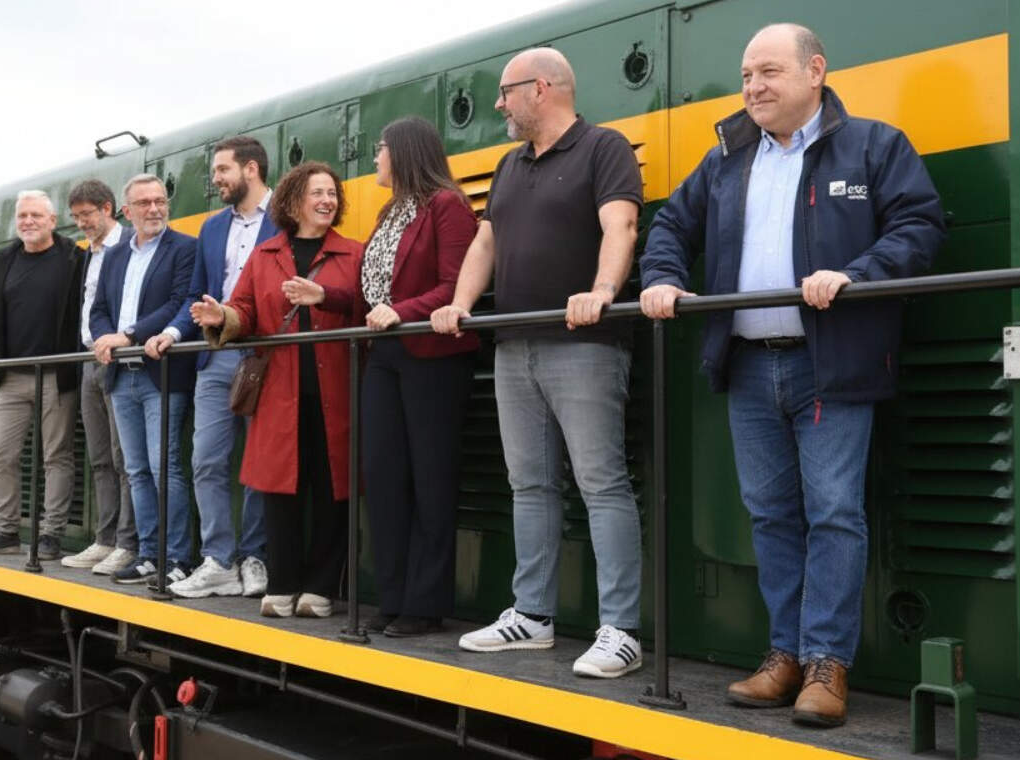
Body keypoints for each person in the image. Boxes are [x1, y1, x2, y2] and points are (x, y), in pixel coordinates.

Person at [639, 24, 945, 726]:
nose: (752, 87)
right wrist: (660, 279)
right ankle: (782, 655)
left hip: (830, 364)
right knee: (772, 517)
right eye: (746, 74)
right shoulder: (724, 158)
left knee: (834, 515)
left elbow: (919, 225)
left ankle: (824, 666)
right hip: (748, 366)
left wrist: (857, 274)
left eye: (768, 71)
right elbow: (667, 230)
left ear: (815, 71)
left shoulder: (873, 145)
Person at [431, 48, 645, 678]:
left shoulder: (604, 148)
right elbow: (486, 240)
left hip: (584, 347)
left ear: (541, 88)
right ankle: (533, 615)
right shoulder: (508, 164)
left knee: (601, 484)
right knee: (530, 485)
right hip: (513, 346)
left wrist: (603, 292)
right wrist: (460, 304)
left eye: (505, 92)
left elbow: (622, 227)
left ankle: (622, 630)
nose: (497, 104)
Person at [196, 161, 360, 619]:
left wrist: (325, 297)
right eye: (317, 193)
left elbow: (367, 308)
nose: (327, 200)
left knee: (332, 489)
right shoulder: (265, 254)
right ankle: (283, 582)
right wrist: (222, 317)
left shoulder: (353, 253)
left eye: (332, 193)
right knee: (279, 490)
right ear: (293, 202)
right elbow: (245, 308)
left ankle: (322, 587)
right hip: (280, 392)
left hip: (336, 391)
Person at [358, 117, 478, 637]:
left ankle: (424, 603)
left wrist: (401, 311)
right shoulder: (390, 211)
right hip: (384, 355)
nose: (375, 159)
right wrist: (329, 296)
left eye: (380, 149)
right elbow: (374, 291)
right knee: (383, 476)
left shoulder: (447, 207)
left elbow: (457, 286)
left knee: (431, 479)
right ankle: (393, 594)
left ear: (403, 152)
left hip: (433, 355)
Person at [146, 136, 278, 599]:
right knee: (206, 460)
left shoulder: (286, 217)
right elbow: (195, 297)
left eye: (222, 170)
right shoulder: (212, 227)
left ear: (251, 169)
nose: (215, 179)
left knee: (260, 463)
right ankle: (219, 559)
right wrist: (174, 333)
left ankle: (255, 555)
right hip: (216, 355)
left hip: (266, 355)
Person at [0, 190, 82, 560]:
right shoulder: (5, 258)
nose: (28, 222)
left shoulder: (74, 256)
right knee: (0, 450)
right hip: (11, 375)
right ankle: (6, 531)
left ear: (52, 219)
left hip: (55, 374)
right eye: (22, 216)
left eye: (35, 215)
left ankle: (50, 536)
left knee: (56, 455)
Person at [89, 174, 198, 586]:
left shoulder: (184, 248)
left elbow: (178, 301)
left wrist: (129, 335)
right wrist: (103, 337)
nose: (154, 209)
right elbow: (99, 308)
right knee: (135, 469)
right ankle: (149, 553)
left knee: (163, 465)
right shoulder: (115, 255)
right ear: (127, 210)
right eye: (145, 203)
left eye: (159, 201)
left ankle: (177, 558)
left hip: (161, 374)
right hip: (122, 376)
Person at [61, 179, 137, 576]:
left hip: (119, 359)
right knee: (100, 458)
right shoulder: (85, 255)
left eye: (87, 215)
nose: (82, 224)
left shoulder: (129, 247)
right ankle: (105, 539)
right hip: (89, 359)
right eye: (76, 218)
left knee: (125, 458)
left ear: (108, 208)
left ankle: (127, 543)